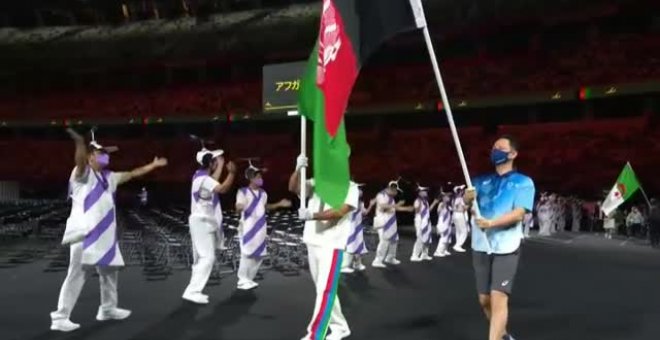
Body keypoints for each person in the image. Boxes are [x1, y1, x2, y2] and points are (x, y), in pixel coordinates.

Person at [51, 129, 168, 332]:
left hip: (105, 237)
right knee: (77, 275)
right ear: (90, 157)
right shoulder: (82, 174)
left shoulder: (109, 177)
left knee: (109, 272)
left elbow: (132, 174)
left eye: (106, 154)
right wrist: (80, 143)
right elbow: (79, 161)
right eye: (101, 153)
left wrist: (154, 165)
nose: (106, 156)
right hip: (85, 235)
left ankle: (107, 308)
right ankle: (60, 317)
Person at [464, 135, 535, 340]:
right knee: (484, 300)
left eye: (501, 147)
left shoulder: (523, 182)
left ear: (513, 154)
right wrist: (466, 199)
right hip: (481, 246)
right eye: (493, 147)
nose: (495, 150)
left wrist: (491, 224)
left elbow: (519, 213)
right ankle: (503, 336)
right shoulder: (479, 181)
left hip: (506, 246)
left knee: (498, 298)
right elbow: (467, 206)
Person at [290, 155, 358, 340]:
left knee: (325, 290)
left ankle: (315, 335)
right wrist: (298, 169)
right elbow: (294, 188)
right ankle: (340, 327)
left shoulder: (351, 188)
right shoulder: (317, 183)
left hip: (332, 244)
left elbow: (340, 211)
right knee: (323, 289)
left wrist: (312, 215)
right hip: (313, 241)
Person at [182, 147, 236, 304]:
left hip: (199, 220)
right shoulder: (204, 180)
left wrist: (219, 165)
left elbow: (214, 181)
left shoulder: (199, 177)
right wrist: (231, 173)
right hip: (202, 221)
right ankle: (192, 291)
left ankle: (193, 290)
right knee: (208, 257)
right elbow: (223, 188)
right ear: (210, 163)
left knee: (200, 258)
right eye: (215, 162)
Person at [235, 165, 291, 290]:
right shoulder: (243, 192)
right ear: (251, 178)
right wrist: (239, 207)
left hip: (260, 227)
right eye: (258, 176)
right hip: (247, 226)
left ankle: (249, 278)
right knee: (247, 253)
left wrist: (279, 204)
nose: (261, 178)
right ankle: (242, 279)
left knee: (259, 254)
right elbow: (239, 205)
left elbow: (265, 207)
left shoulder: (263, 193)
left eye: (261, 176)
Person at [372, 180, 413, 268]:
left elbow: (394, 209)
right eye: (394, 190)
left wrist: (406, 209)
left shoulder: (391, 198)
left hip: (392, 221)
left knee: (394, 240)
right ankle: (377, 260)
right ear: (389, 188)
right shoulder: (381, 195)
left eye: (396, 191)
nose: (395, 193)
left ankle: (390, 257)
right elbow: (383, 207)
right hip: (383, 222)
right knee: (384, 241)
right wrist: (398, 205)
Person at [342, 185, 376, 273]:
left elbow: (365, 213)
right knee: (350, 246)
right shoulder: (347, 203)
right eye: (358, 190)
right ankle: (344, 266)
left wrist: (371, 205)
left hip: (358, 227)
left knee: (359, 245)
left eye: (360, 191)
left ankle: (357, 264)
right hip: (350, 227)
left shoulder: (360, 203)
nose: (360, 192)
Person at [411, 186, 439, 262]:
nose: (426, 193)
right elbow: (417, 210)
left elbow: (428, 210)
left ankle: (424, 254)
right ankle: (415, 255)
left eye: (426, 191)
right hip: (420, 220)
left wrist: (434, 203)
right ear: (420, 193)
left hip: (426, 220)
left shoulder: (425, 201)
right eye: (424, 191)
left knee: (427, 238)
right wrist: (419, 204)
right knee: (420, 237)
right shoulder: (417, 201)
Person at [434, 191, 453, 257]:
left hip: (448, 223)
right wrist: (443, 202)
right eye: (447, 196)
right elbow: (438, 212)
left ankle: (444, 250)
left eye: (449, 197)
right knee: (443, 237)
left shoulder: (449, 205)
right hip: (442, 223)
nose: (449, 198)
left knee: (448, 238)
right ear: (443, 198)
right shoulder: (441, 204)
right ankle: (438, 251)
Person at [452, 185, 469, 252]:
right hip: (459, 214)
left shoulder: (455, 198)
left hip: (455, 214)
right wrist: (468, 205)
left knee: (458, 231)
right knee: (464, 231)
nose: (463, 191)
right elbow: (463, 209)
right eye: (462, 190)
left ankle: (458, 244)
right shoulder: (459, 198)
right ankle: (458, 245)